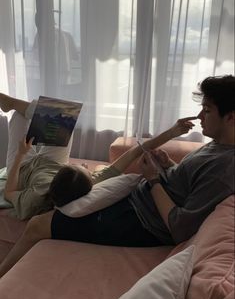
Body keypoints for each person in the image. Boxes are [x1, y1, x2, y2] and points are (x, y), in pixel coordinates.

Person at [0, 74, 234, 278]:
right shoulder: (217, 145)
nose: (200, 115)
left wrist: (153, 179)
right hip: (133, 200)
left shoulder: (224, 168)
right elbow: (184, 184)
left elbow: (180, 228)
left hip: (138, 222)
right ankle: (10, 104)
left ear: (231, 117)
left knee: (37, 225)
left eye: (207, 110)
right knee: (60, 115)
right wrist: (167, 164)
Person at [0, 92, 193, 221]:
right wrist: (171, 133)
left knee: (19, 117)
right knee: (64, 115)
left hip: (23, 165)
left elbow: (9, 192)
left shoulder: (35, 198)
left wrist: (20, 155)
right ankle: (11, 103)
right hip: (51, 162)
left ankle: (12, 106)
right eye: (82, 166)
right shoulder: (91, 182)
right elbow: (136, 151)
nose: (84, 164)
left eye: (81, 165)